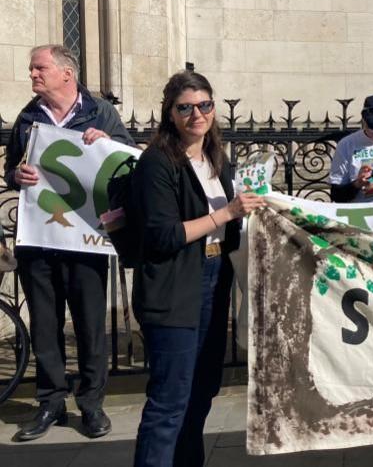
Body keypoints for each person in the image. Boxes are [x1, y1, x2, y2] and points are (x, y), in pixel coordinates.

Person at [132, 71, 266, 466]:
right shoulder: (157, 162)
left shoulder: (216, 159)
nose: (197, 114)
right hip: (174, 287)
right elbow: (163, 235)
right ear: (169, 113)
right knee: (169, 401)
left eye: (204, 105)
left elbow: (231, 226)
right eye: (185, 107)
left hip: (213, 279)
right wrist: (227, 211)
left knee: (202, 390)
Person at [5, 44, 134, 442]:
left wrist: (106, 145)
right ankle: (51, 402)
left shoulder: (101, 113)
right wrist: (17, 176)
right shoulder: (28, 118)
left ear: (66, 73)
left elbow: (129, 164)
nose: (32, 75)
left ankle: (92, 404)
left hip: (85, 240)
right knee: (44, 324)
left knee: (90, 324)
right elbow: (11, 167)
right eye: (31, 69)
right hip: (39, 240)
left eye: (39, 67)